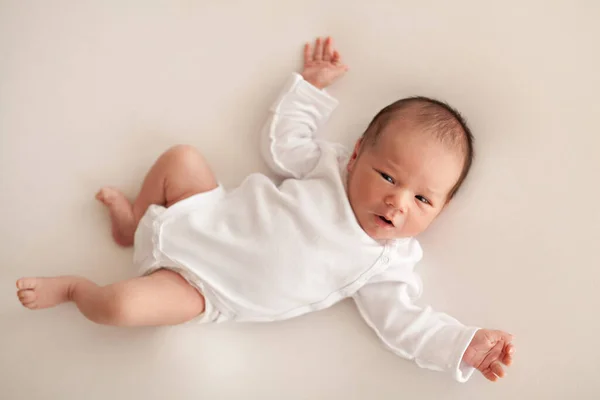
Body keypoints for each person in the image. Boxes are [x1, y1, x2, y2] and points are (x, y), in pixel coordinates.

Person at [16, 36, 514, 383]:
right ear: (358, 153)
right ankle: (132, 225)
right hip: (204, 214)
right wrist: (310, 87)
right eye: (388, 176)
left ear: (440, 212)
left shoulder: (385, 260)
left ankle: (75, 289)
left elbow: (404, 321)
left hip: (203, 289)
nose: (397, 202)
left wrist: (462, 346)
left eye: (423, 199)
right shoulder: (330, 167)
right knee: (181, 157)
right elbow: (282, 143)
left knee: (119, 307)